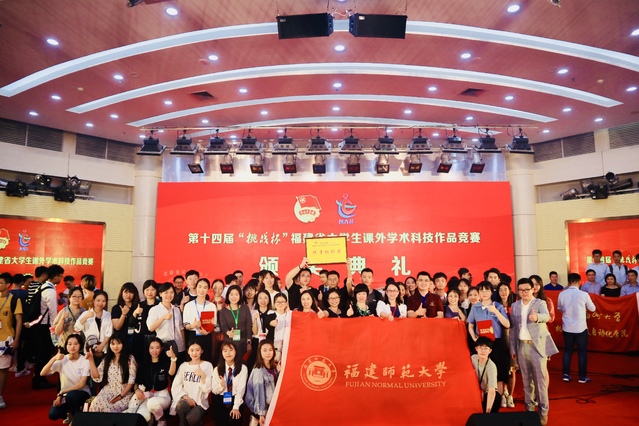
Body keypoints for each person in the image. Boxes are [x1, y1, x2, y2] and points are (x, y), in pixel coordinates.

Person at [509, 278, 558, 426]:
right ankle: (529, 412)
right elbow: (513, 329)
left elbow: (547, 316)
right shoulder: (515, 306)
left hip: (537, 347)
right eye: (521, 290)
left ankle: (543, 413)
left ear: (532, 289)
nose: (524, 292)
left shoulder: (539, 303)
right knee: (526, 382)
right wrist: (513, 348)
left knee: (540, 382)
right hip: (521, 346)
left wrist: (537, 317)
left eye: (526, 289)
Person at [467, 281, 511, 398]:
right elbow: (470, 325)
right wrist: (474, 337)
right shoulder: (475, 307)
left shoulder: (498, 306)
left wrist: (495, 311)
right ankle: (485, 397)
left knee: (499, 371)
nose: (484, 293)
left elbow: (507, 324)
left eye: (487, 290)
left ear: (492, 292)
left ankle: (499, 398)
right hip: (482, 344)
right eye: (481, 290)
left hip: (496, 342)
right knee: (482, 370)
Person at [126, 337, 177, 426]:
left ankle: (161, 420)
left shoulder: (164, 362)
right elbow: (137, 381)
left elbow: (171, 372)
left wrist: (173, 358)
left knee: (152, 403)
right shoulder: (144, 364)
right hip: (146, 395)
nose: (154, 351)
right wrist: (137, 390)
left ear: (161, 348)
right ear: (148, 349)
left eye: (157, 348)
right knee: (142, 416)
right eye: (152, 348)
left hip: (162, 396)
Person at [41, 334, 91, 424]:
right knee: (53, 414)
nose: (72, 347)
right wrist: (54, 358)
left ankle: (76, 418)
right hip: (65, 394)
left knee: (72, 396)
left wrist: (61, 392)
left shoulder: (85, 360)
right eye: (69, 344)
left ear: (80, 345)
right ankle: (69, 413)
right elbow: (42, 373)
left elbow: (82, 384)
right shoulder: (63, 359)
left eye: (76, 344)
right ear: (66, 346)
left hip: (82, 392)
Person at [557, 273, 596, 384]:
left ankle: (566, 375)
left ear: (568, 282)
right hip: (580, 327)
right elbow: (592, 308)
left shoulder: (562, 294)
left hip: (567, 327)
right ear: (579, 282)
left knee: (567, 351)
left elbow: (559, 308)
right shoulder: (584, 294)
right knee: (582, 352)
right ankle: (582, 377)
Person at [30, 264, 62, 390]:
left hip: (40, 325)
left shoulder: (43, 287)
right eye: (60, 276)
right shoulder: (50, 290)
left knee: (41, 353)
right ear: (56, 276)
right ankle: (39, 380)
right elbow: (53, 312)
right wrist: (55, 329)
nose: (61, 278)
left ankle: (39, 378)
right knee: (44, 354)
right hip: (45, 327)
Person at [87, 335, 137, 412]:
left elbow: (131, 381)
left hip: (124, 393)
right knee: (95, 403)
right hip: (107, 391)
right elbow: (96, 376)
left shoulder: (130, 359)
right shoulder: (107, 359)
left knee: (109, 408)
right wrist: (91, 359)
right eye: (113, 344)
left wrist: (120, 396)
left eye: (118, 343)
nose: (115, 346)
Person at [170, 341, 214, 426]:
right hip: (186, 400)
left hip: (200, 403)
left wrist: (203, 376)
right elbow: (176, 386)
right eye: (192, 350)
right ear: (188, 351)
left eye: (197, 350)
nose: (194, 353)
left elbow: (207, 389)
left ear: (202, 351)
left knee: (191, 417)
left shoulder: (207, 365)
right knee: (181, 407)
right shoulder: (184, 366)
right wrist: (186, 398)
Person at [0, 272, 23, 408]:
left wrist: (16, 340)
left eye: (1, 283)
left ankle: (0, 396)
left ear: (8, 285)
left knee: (2, 369)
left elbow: (19, 321)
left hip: (6, 340)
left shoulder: (14, 300)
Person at [212, 342, 248, 426]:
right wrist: (221, 386)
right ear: (222, 353)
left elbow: (241, 390)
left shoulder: (243, 368)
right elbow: (214, 390)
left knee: (234, 421)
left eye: (231, 350)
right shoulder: (217, 369)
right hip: (220, 399)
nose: (228, 353)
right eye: (225, 351)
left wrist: (236, 407)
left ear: (236, 352)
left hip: (236, 399)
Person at [147, 283, 186, 361]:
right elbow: (151, 328)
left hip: (178, 346)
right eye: (166, 292)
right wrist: (163, 317)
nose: (169, 295)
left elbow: (181, 328)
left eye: (171, 292)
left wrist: (184, 345)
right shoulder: (155, 310)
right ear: (160, 294)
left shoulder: (176, 309)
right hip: (163, 345)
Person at [246, 340, 280, 426]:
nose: (268, 353)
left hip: (270, 409)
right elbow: (259, 393)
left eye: (270, 350)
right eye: (264, 350)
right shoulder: (259, 370)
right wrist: (261, 414)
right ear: (259, 352)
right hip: (260, 412)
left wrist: (279, 372)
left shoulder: (273, 368)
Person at [183, 278, 217, 363]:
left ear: (208, 289)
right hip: (193, 336)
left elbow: (214, 324)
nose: (202, 290)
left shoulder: (211, 306)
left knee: (206, 360)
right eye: (200, 287)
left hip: (207, 336)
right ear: (196, 287)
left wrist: (207, 332)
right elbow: (185, 325)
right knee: (193, 360)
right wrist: (193, 325)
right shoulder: (188, 305)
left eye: (205, 287)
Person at [493, 282, 517, 407]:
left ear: (510, 291)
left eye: (505, 289)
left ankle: (510, 396)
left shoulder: (515, 305)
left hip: (512, 339)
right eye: (500, 290)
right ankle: (503, 394)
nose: (503, 292)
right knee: (501, 369)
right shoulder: (494, 306)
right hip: (499, 339)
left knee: (511, 369)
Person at [75, 290, 112, 361]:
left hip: (104, 349)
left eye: (103, 301)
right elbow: (77, 327)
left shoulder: (108, 315)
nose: (100, 303)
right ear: (93, 301)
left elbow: (109, 333)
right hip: (90, 349)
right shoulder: (86, 313)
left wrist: (102, 345)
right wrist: (86, 317)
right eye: (98, 300)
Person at [219, 285, 253, 362]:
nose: (234, 297)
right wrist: (228, 332)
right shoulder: (223, 311)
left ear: (240, 296)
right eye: (231, 294)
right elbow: (223, 326)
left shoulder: (245, 308)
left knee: (243, 363)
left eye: (236, 294)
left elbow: (248, 326)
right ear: (228, 296)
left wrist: (249, 342)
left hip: (243, 343)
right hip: (229, 343)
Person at [472, 337, 501, 414]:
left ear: (490, 351)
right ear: (476, 349)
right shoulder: (473, 358)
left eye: (485, 348)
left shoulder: (491, 367)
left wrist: (487, 412)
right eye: (481, 348)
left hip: (486, 394)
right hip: (474, 392)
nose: (483, 351)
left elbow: (492, 390)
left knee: (497, 397)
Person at [133, 280, 159, 362]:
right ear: (143, 291)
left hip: (156, 336)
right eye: (147, 290)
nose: (150, 292)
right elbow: (131, 323)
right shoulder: (139, 305)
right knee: (142, 360)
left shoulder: (160, 305)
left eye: (152, 290)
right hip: (141, 336)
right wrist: (135, 313)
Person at [111, 282, 141, 350]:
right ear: (121, 293)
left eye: (131, 292)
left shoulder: (138, 307)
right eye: (126, 292)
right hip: (122, 340)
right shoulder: (116, 308)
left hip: (137, 339)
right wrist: (123, 314)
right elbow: (117, 327)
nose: (128, 295)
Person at [271, 293, 289, 364]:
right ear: (274, 303)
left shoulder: (290, 315)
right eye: (278, 302)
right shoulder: (270, 314)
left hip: (286, 345)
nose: (280, 304)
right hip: (274, 345)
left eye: (282, 302)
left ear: (286, 303)